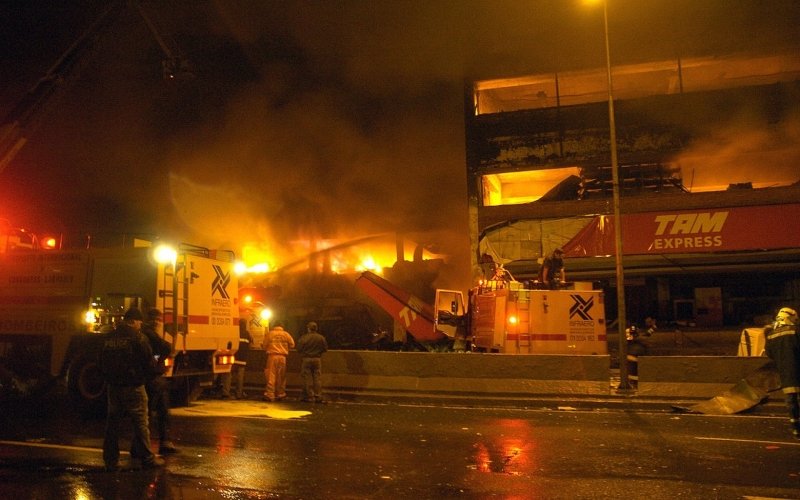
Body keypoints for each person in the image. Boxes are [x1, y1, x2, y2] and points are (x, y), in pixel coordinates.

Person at [99, 307, 164, 471]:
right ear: (133, 321)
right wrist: (157, 371)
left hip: (113, 387)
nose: (140, 325)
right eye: (139, 322)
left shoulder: (108, 338)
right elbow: (148, 361)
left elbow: (101, 361)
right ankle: (148, 458)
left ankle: (110, 460)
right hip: (133, 386)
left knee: (112, 423)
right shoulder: (138, 338)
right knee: (141, 422)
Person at [140, 308, 178, 454]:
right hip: (150, 378)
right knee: (148, 413)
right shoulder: (147, 334)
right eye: (154, 319)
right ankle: (143, 446)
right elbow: (165, 347)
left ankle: (163, 441)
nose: (156, 322)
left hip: (156, 377)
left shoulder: (149, 334)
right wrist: (159, 358)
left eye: (158, 319)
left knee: (162, 411)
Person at [763, 306, 800, 440]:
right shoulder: (795, 330)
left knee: (791, 401)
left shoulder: (771, 335)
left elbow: (769, 353)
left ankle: (796, 428)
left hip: (786, 374)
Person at [296, 321, 328, 403]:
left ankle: (307, 396)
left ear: (308, 329)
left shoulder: (304, 337)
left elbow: (299, 349)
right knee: (317, 378)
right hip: (317, 359)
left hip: (306, 359)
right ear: (316, 329)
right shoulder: (321, 338)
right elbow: (325, 349)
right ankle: (318, 396)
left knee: (306, 378)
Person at [262, 320, 295, 402]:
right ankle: (281, 394)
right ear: (282, 326)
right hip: (283, 357)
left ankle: (270, 394)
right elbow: (292, 344)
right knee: (282, 376)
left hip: (272, 356)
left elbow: (264, 345)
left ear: (274, 326)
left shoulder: (270, 334)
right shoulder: (286, 334)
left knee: (271, 375)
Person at [222, 319, 252, 399]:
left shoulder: (233, 332)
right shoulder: (247, 334)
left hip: (232, 356)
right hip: (242, 359)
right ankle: (238, 394)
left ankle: (225, 393)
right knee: (240, 377)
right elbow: (250, 344)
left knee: (228, 375)